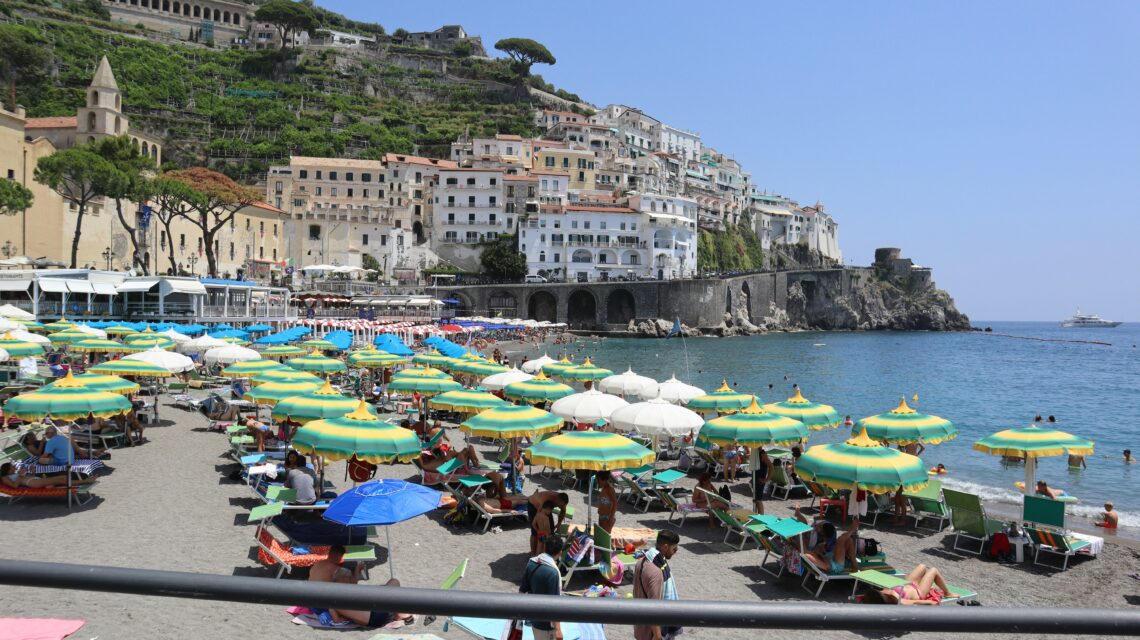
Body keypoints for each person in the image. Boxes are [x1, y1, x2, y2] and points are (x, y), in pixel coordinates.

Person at [633, 530, 682, 640]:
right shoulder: (657, 572)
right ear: (665, 547)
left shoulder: (643, 561)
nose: (676, 552)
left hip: (640, 624)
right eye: (674, 549)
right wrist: (658, 635)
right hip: (653, 632)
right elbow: (654, 607)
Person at [326, 575, 414, 628]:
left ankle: (400, 614)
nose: (346, 579)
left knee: (394, 581)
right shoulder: (340, 598)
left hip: (377, 616)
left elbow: (337, 618)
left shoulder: (336, 600)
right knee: (394, 582)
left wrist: (346, 617)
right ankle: (401, 614)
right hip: (379, 612)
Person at [521, 535, 565, 640]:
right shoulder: (553, 573)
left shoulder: (532, 563)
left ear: (545, 548)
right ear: (560, 553)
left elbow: (522, 590)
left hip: (534, 618)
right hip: (547, 624)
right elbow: (554, 604)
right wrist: (558, 629)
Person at [862, 563, 958, 605]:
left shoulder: (885, 592)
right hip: (919, 591)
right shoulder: (899, 602)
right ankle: (947, 593)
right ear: (883, 600)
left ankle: (926, 583)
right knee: (933, 570)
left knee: (922, 566)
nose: (881, 592)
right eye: (880, 594)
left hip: (908, 584)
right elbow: (928, 603)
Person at [1, 462, 97, 489]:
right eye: (12, 466)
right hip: (33, 483)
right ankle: (86, 481)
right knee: (63, 478)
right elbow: (15, 485)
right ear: (8, 469)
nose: (14, 467)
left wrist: (32, 471)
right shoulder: (4, 478)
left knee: (62, 479)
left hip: (34, 479)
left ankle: (49, 486)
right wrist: (21, 476)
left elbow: (27, 477)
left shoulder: (16, 473)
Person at [752, 447, 772, 514]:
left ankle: (761, 518)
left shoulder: (763, 454)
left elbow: (771, 467)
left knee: (758, 500)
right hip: (755, 479)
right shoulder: (755, 452)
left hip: (760, 480)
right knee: (756, 499)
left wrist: (766, 480)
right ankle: (757, 515)